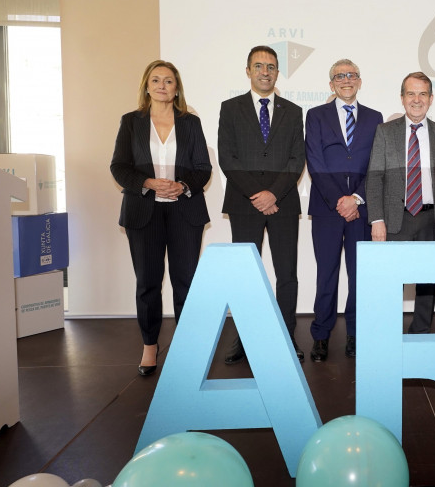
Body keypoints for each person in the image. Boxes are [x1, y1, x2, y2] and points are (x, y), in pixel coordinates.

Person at [110, 60, 211, 376]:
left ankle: (184, 348)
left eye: (168, 80)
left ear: (176, 87)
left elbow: (203, 169)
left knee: (186, 282)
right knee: (148, 283)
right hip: (144, 213)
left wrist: (182, 186)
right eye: (155, 80)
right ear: (146, 85)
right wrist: (148, 183)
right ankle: (149, 347)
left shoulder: (191, 123)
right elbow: (119, 166)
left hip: (184, 211)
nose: (162, 85)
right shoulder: (131, 122)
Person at [218, 45, 306, 363]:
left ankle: (286, 336)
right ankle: (244, 340)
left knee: (287, 274)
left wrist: (273, 194)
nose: (265, 71)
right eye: (258, 66)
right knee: (247, 275)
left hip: (283, 203)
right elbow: (227, 157)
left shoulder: (293, 111)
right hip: (245, 203)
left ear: (277, 72)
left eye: (270, 66)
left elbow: (297, 159)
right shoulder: (230, 109)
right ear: (248, 71)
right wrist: (258, 194)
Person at [367, 72, 435, 334]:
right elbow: (374, 178)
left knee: (427, 282)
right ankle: (387, 335)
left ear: (431, 99)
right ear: (402, 98)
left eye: (422, 94)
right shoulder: (385, 132)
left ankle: (420, 333)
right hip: (396, 218)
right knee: (390, 282)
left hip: (432, 218)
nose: (416, 100)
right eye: (411, 94)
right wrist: (377, 219)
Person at [304, 59, 383, 361]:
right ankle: (321, 336)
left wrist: (357, 199)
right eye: (340, 76)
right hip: (327, 207)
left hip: (361, 209)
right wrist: (340, 199)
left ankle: (355, 334)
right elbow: (315, 160)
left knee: (359, 275)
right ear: (331, 84)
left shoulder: (375, 118)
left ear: (360, 81)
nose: (346, 80)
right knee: (327, 274)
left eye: (351, 75)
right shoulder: (316, 115)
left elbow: (378, 165)